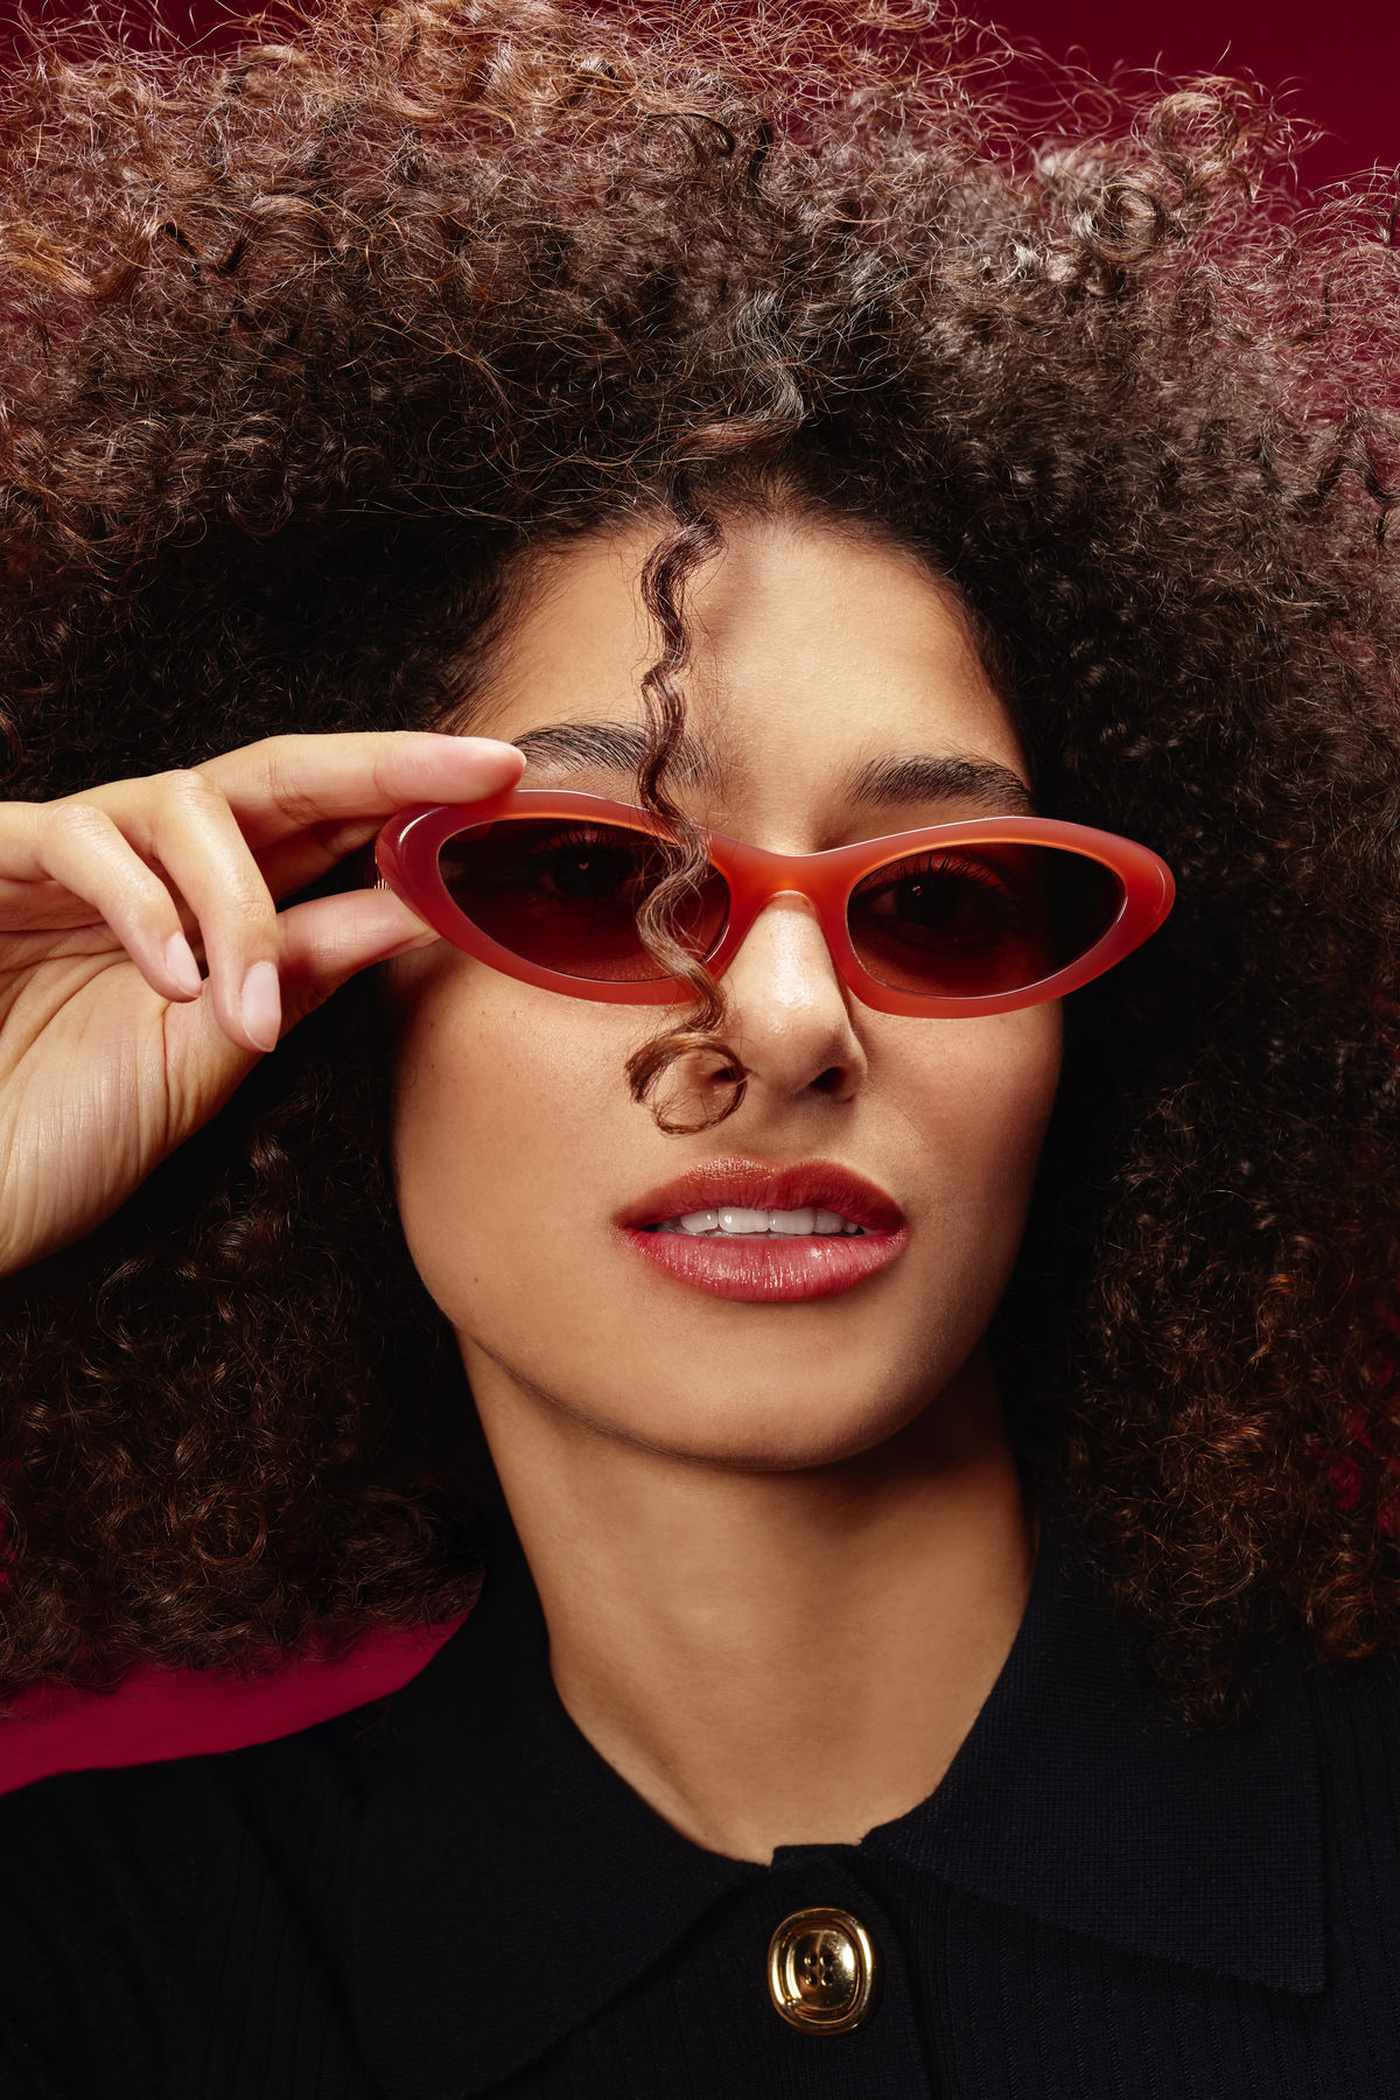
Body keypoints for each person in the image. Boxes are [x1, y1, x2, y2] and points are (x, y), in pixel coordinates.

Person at [0, 0, 1397, 2091]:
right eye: (591, 877)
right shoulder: (91, 1981)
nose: (787, 1020)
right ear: (303, 966)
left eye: (943, 900)